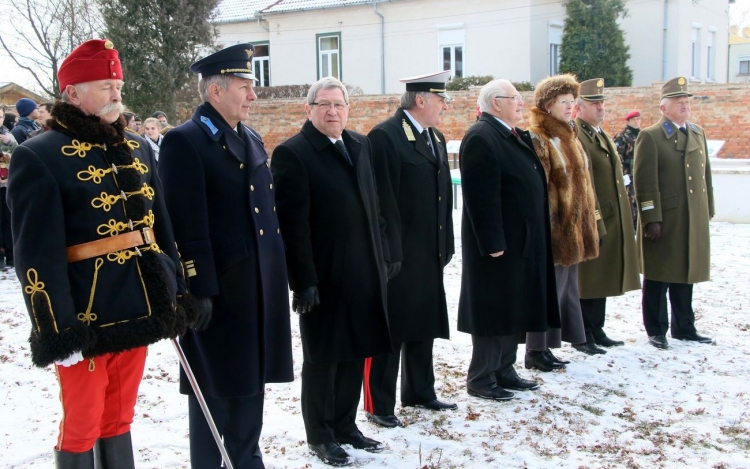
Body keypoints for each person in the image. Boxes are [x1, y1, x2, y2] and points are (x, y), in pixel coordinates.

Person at [7, 38, 193, 469]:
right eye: (106, 85)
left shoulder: (139, 147)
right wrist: (57, 329)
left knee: (120, 416)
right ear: (73, 93)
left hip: (140, 304)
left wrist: (177, 293)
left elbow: (160, 227)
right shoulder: (38, 156)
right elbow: (34, 256)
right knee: (83, 420)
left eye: (118, 85)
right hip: (84, 314)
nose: (117, 93)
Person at [158, 43, 293, 469]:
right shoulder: (185, 141)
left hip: (257, 287)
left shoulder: (248, 136)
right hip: (217, 293)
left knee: (251, 386)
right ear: (215, 92)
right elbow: (184, 225)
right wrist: (198, 289)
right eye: (244, 87)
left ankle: (246, 458)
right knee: (216, 391)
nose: (253, 95)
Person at [271, 77, 391, 467]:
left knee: (356, 350)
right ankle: (320, 435)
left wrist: (383, 255)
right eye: (324, 105)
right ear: (309, 110)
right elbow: (293, 226)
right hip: (323, 277)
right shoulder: (294, 153)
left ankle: (345, 425)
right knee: (324, 358)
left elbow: (374, 206)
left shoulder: (359, 144)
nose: (332, 111)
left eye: (339, 104)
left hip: (363, 270)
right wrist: (302, 281)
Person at [364, 71, 456, 428]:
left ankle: (420, 390)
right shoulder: (386, 137)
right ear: (421, 100)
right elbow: (381, 202)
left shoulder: (434, 137)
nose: (445, 107)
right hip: (398, 255)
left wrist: (445, 241)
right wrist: (389, 252)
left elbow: (442, 196)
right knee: (391, 329)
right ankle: (378, 403)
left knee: (423, 322)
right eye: (440, 100)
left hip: (427, 250)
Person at [459, 79, 559, 400]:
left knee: (513, 306)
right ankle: (481, 376)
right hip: (498, 246)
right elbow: (480, 197)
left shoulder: (509, 134)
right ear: (495, 102)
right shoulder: (482, 137)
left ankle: (504, 368)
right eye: (514, 98)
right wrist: (492, 242)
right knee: (494, 310)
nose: (520, 103)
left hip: (521, 241)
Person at [525, 74, 602, 370]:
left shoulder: (570, 136)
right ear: (547, 105)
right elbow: (539, 188)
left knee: (566, 289)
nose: (571, 107)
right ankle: (535, 349)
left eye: (573, 102)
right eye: (564, 102)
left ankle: (548, 346)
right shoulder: (539, 137)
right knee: (549, 291)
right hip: (556, 228)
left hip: (575, 228)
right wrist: (547, 227)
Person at [633, 77, 714, 350]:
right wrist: (650, 217)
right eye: (678, 101)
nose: (684, 104)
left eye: (687, 100)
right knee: (659, 274)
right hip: (666, 218)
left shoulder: (697, 132)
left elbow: (705, 176)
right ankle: (656, 329)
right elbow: (644, 180)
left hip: (692, 216)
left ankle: (685, 327)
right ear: (663, 107)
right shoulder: (651, 135)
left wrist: (708, 209)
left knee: (686, 270)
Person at [574, 78, 640, 351]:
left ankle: (596, 328)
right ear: (579, 107)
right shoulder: (578, 135)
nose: (601, 108)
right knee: (589, 279)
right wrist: (594, 218)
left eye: (602, 103)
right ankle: (582, 334)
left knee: (602, 276)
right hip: (593, 217)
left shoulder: (599, 134)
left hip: (611, 215)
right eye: (595, 103)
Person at [613, 110, 641, 228]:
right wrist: (623, 176)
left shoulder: (643, 135)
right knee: (631, 200)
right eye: (634, 119)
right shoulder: (622, 136)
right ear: (628, 121)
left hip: (641, 174)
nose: (637, 121)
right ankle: (632, 225)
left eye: (638, 119)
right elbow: (618, 158)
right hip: (628, 175)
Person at [0, 105, 18, 271]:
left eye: (0, 117)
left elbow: (16, 155)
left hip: (6, 183)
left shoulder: (8, 135)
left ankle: (11, 256)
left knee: (7, 219)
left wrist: (10, 144)